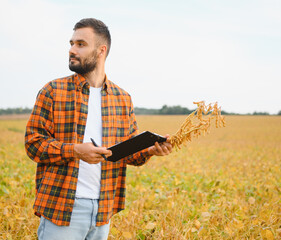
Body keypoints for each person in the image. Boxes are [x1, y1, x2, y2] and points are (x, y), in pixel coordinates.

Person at [24, 18, 173, 240]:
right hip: (62, 208)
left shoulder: (122, 99)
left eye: (80, 44)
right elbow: (33, 145)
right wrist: (75, 150)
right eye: (71, 43)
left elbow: (127, 153)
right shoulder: (53, 91)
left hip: (103, 210)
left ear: (101, 50)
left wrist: (150, 150)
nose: (72, 50)